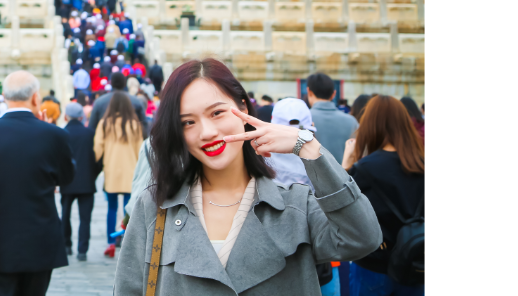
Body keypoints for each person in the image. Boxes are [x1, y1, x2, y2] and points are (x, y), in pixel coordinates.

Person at [113, 58, 382, 295]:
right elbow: (129, 288)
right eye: (188, 122)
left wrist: (308, 146)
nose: (206, 132)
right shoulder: (155, 207)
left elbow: (362, 238)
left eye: (217, 113)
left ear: (243, 107)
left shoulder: (295, 205)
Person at [0, 71, 74, 296]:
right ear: (36, 97)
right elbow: (67, 178)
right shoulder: (54, 135)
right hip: (40, 243)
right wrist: (50, 132)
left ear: (4, 96)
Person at [343, 95, 425, 295]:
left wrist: (346, 166)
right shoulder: (421, 164)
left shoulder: (364, 169)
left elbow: (341, 210)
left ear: (370, 125)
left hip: (373, 263)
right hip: (415, 261)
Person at [93, 90, 144, 257]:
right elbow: (139, 150)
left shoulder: (105, 123)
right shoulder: (135, 124)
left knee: (112, 208)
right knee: (128, 209)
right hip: (131, 171)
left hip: (112, 171)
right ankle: (126, 240)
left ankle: (110, 242)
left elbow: (97, 149)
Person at [60, 102, 96, 261]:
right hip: (87, 181)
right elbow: (97, 158)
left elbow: (57, 159)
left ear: (66, 116)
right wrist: (93, 174)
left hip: (66, 182)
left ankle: (66, 245)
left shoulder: (62, 133)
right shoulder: (90, 133)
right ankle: (82, 250)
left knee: (65, 215)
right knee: (85, 218)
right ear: (82, 116)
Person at [307, 72, 359, 163]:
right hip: (344, 176)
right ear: (334, 94)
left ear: (309, 91)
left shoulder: (303, 119)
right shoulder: (352, 122)